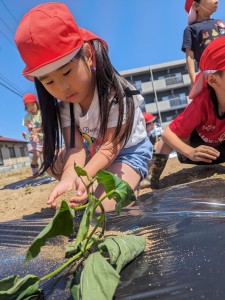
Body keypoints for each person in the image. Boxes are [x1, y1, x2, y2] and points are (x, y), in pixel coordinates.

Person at [14, 2, 152, 212]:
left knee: (102, 208)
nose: (62, 87)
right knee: (53, 163)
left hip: (126, 151)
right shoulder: (66, 107)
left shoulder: (115, 92)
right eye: (49, 82)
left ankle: (132, 177)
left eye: (67, 73)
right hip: (93, 152)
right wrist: (70, 178)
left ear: (87, 55)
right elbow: (75, 148)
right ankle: (95, 183)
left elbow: (110, 146)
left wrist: (85, 175)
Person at [146, 36, 225, 189]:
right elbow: (168, 133)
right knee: (166, 140)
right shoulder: (202, 104)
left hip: (220, 150)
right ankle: (151, 177)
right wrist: (190, 152)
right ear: (213, 80)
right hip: (198, 151)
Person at [182, 0, 225, 86]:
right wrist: (193, 78)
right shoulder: (191, 29)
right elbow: (190, 56)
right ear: (196, 5)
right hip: (211, 71)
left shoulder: (219, 22)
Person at [22, 93, 43, 176]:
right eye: (28, 106)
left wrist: (38, 130)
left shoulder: (41, 113)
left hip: (44, 136)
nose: (30, 107)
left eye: (32, 104)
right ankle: (34, 166)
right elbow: (30, 127)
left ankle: (50, 168)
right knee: (37, 154)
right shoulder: (27, 116)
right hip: (35, 138)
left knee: (47, 153)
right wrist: (33, 134)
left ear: (36, 103)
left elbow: (45, 124)